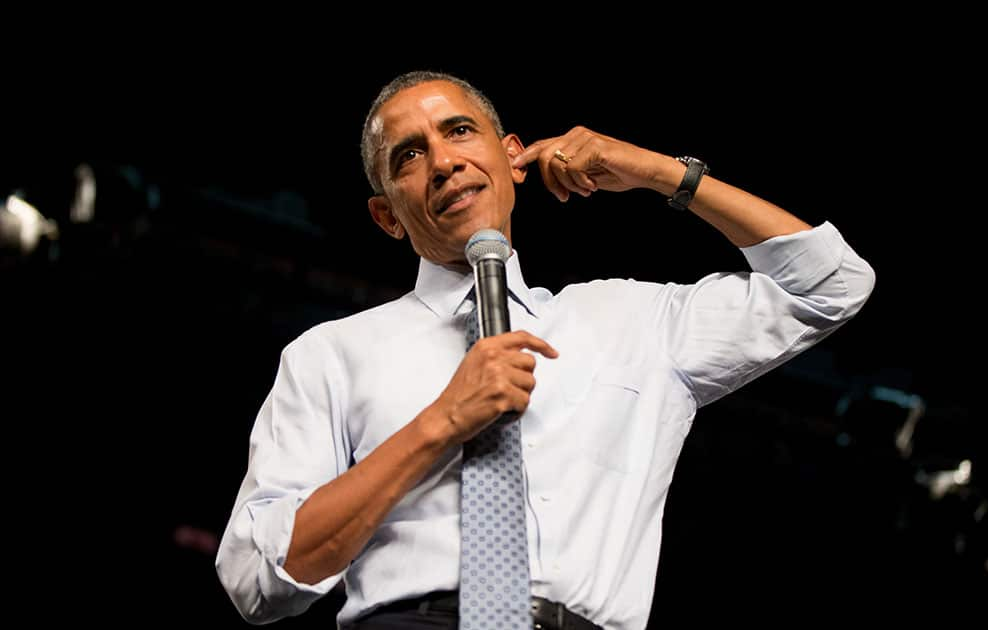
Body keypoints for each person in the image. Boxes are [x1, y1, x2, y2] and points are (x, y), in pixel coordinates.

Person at [215, 70, 875, 629]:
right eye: (408, 156)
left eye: (460, 131)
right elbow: (253, 575)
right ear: (387, 214)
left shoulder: (631, 322)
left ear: (511, 157)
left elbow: (832, 286)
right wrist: (440, 423)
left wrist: (653, 171)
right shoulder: (331, 355)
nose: (443, 162)